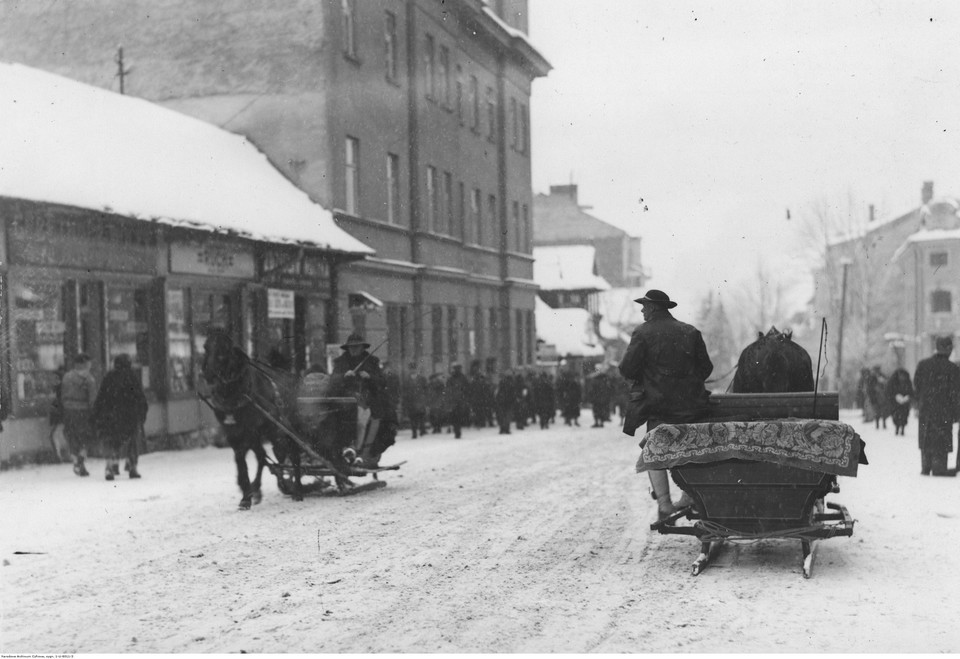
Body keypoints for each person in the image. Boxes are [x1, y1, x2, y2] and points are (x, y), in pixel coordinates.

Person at [619, 289, 713, 520]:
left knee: (655, 451)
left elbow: (626, 369)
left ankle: (664, 504)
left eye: (644, 306)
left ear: (652, 309)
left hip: (660, 408)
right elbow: (706, 368)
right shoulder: (690, 331)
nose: (641, 310)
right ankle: (689, 496)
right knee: (691, 449)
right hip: (693, 407)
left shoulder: (642, 333)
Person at [332, 333, 398, 468]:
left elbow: (382, 381)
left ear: (362, 348)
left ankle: (365, 453)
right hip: (345, 399)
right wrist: (344, 376)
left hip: (367, 399)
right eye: (351, 347)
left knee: (374, 417)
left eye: (357, 347)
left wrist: (370, 377)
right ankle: (345, 448)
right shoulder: (340, 362)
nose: (354, 349)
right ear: (347, 348)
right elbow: (332, 379)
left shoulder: (372, 361)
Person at [92, 354, 148, 480]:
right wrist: (142, 413)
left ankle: (109, 466)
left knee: (110, 441)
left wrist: (97, 414)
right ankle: (132, 466)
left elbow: (101, 397)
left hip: (111, 416)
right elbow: (140, 397)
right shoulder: (132, 377)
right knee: (132, 441)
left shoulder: (109, 377)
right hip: (129, 416)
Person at [913, 336, 960, 476]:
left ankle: (926, 466)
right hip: (944, 413)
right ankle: (939, 468)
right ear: (949, 349)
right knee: (941, 440)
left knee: (926, 437)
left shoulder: (923, 365)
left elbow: (917, 386)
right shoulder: (953, 369)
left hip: (926, 410)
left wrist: (922, 401)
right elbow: (956, 394)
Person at [60, 353, 97, 477]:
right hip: (84, 411)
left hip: (69, 411)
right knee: (87, 437)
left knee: (72, 436)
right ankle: (80, 459)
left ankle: (76, 460)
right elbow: (92, 399)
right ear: (85, 364)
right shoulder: (89, 379)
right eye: (89, 362)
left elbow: (62, 394)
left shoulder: (66, 377)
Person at [402, 362, 428, 438]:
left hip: (420, 401)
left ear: (416, 370)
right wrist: (405, 401)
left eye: (414, 369)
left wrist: (424, 398)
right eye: (411, 369)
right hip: (411, 402)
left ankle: (422, 430)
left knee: (421, 416)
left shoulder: (422, 379)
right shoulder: (406, 380)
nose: (413, 371)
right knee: (412, 417)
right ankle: (414, 432)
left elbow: (426, 389)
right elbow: (404, 391)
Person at [445, 363, 471, 439]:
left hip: (459, 401)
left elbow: (467, 389)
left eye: (458, 369)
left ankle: (457, 431)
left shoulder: (462, 378)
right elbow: (448, 390)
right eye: (456, 369)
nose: (457, 370)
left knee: (457, 417)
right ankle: (457, 431)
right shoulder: (453, 378)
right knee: (455, 417)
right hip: (456, 401)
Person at [886, 367, 914, 436]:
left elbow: (911, 391)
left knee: (904, 415)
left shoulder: (907, 381)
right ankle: (897, 427)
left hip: (905, 402)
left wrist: (908, 397)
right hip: (895, 402)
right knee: (896, 415)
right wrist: (895, 396)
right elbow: (889, 391)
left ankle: (902, 428)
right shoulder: (893, 381)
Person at [868, 366, 890, 430]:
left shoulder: (882, 376)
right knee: (877, 411)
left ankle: (883, 423)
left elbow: (887, 385)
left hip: (883, 397)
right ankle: (877, 424)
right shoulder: (872, 378)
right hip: (875, 397)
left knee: (883, 411)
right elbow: (870, 388)